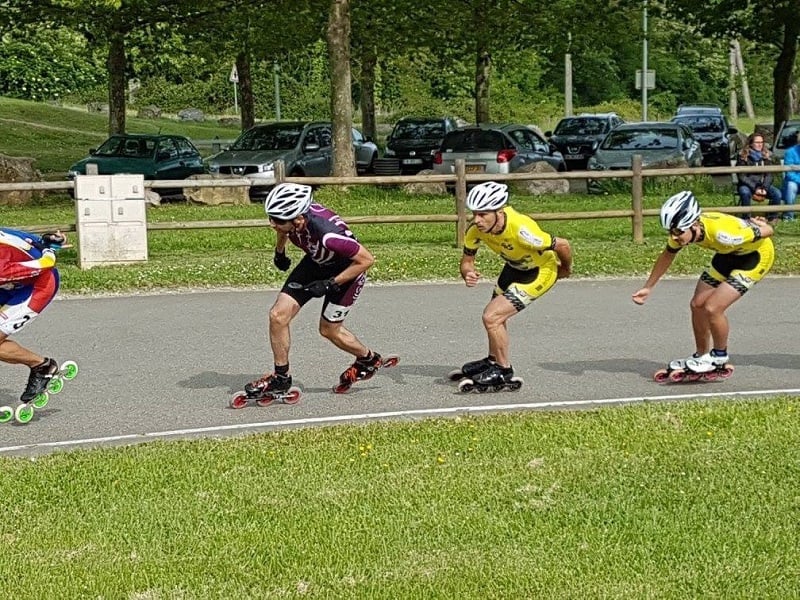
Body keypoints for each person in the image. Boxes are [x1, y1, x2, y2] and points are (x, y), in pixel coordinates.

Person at [245, 182, 385, 396]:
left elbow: (366, 260)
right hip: (316, 262)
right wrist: (279, 252)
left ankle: (368, 359)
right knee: (277, 315)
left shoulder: (329, 234)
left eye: (277, 220)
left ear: (299, 219)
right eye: (270, 218)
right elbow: (285, 230)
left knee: (329, 330)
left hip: (347, 271)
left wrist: (330, 284)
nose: (272, 224)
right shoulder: (292, 220)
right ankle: (281, 378)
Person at [632, 190, 774, 373]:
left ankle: (719, 357)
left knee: (713, 307)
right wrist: (648, 287)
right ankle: (701, 355)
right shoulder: (683, 231)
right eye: (671, 231)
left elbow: (769, 230)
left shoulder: (725, 234)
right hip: (727, 255)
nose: (674, 236)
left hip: (755, 258)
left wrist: (758, 224)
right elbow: (667, 256)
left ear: (694, 224)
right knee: (697, 305)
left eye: (677, 231)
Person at [456, 181, 572, 387]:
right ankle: (493, 360)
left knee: (492, 316)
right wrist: (468, 273)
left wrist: (565, 268)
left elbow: (563, 244)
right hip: (514, 268)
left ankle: (503, 369)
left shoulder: (522, 230)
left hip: (540, 272)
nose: (477, 220)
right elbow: (467, 262)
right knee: (495, 317)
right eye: (474, 213)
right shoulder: (476, 231)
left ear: (498, 212)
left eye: (483, 214)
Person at [0, 228, 67, 403]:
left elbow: (45, 264)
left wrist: (50, 249)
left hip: (37, 286)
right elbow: (22, 239)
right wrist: (45, 240)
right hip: (7, 284)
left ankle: (41, 366)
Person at [736, 132, 782, 223]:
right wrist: (755, 187)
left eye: (761, 142)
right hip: (747, 184)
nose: (760, 144)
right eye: (757, 142)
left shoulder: (766, 155)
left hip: (762, 185)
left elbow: (769, 174)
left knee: (777, 193)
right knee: (744, 192)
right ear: (751, 143)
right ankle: (746, 218)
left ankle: (772, 217)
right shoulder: (742, 155)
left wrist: (764, 187)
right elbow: (742, 176)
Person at [780, 130, 800, 221]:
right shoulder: (790, 152)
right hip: (795, 182)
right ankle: (788, 216)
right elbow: (789, 173)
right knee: (791, 185)